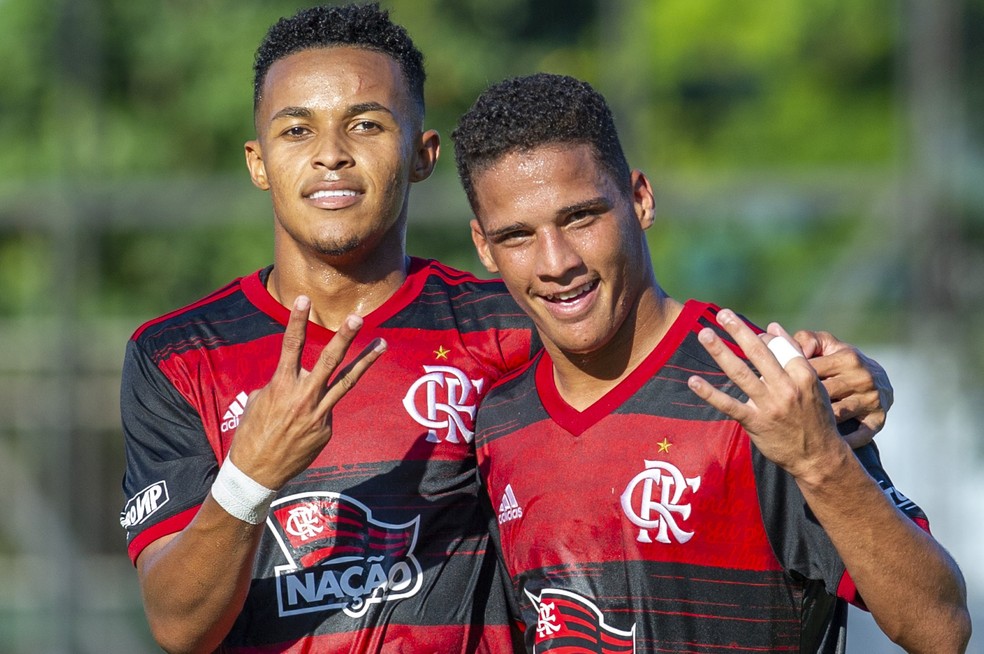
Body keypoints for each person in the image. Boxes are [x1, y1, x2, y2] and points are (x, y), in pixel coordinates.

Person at [119, 4, 899, 653]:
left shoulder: (506, 321)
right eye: (297, 131)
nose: (331, 156)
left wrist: (848, 378)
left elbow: (668, 352)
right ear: (257, 161)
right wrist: (250, 476)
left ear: (422, 154)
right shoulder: (175, 355)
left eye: (366, 125)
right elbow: (179, 625)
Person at [453, 73, 971, 653]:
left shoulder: (767, 394)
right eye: (517, 236)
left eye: (581, 217)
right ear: (483, 246)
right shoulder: (494, 423)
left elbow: (941, 629)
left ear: (640, 199)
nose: (556, 262)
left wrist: (820, 461)